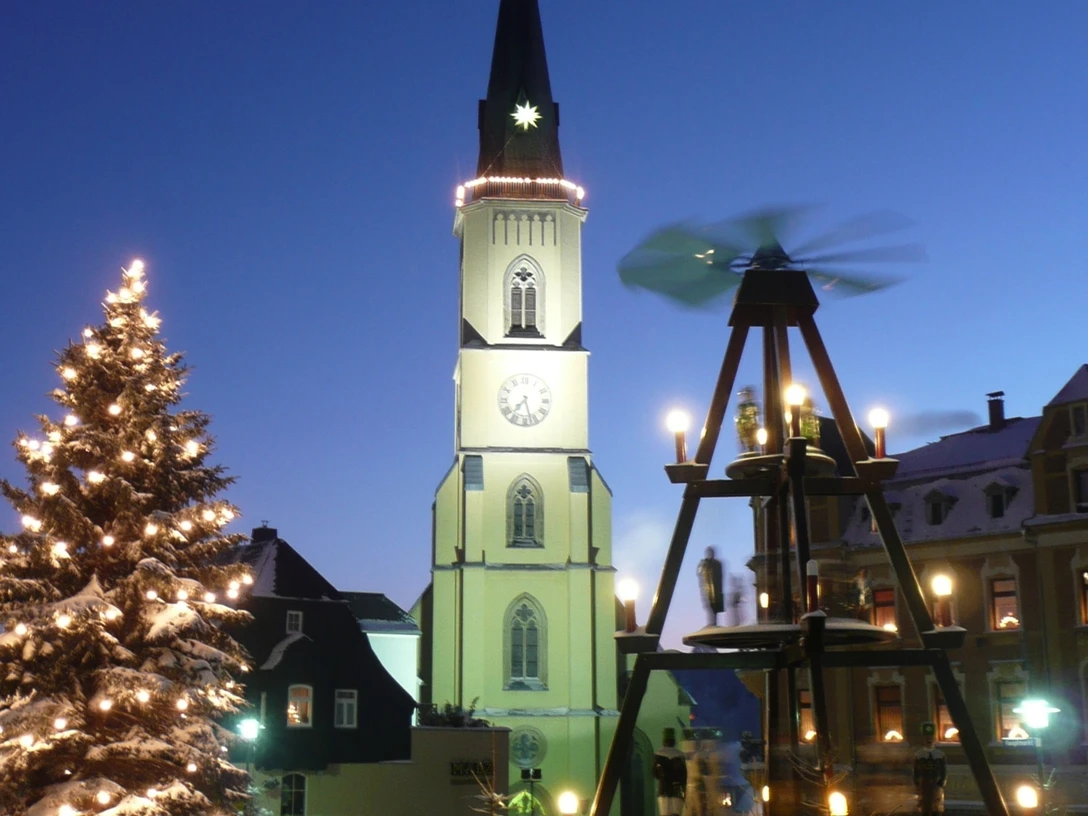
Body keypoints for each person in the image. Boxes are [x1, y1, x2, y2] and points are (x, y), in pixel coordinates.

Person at [913, 721, 947, 815]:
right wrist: (917, 782)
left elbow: (943, 771)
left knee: (936, 806)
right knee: (924, 806)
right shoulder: (919, 755)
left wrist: (941, 782)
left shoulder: (940, 755)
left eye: (931, 737)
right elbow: (916, 771)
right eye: (927, 737)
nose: (929, 740)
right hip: (924, 785)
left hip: (936, 784)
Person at [654, 728, 687, 816]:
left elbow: (655, 774)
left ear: (664, 741)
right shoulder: (680, 755)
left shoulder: (658, 755)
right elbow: (684, 777)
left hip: (663, 790)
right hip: (677, 791)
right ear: (674, 741)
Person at [697, 547, 725, 626]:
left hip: (716, 589)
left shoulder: (717, 563)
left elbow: (720, 576)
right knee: (708, 606)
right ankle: (711, 622)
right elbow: (699, 573)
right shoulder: (704, 564)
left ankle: (714, 623)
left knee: (715, 607)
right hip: (707, 589)